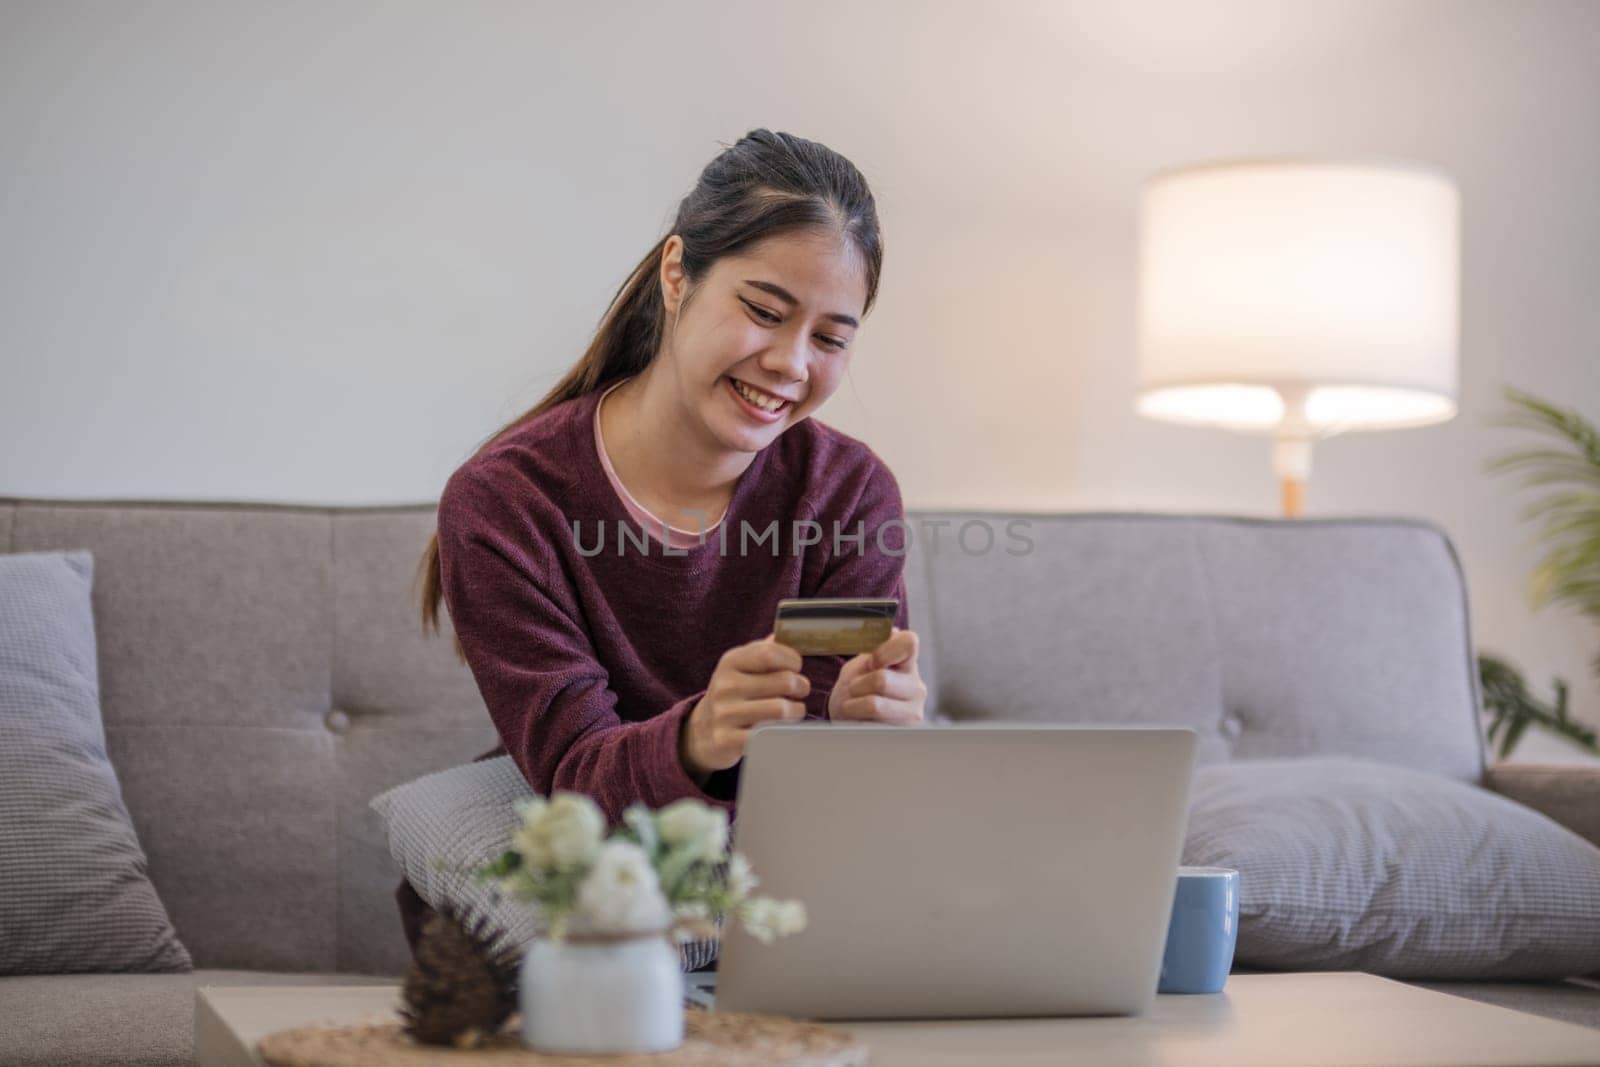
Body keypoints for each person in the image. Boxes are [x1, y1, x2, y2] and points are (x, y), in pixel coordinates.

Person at [403, 128, 928, 967]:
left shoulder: (848, 493)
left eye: (831, 338)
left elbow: (822, 794)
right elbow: (575, 774)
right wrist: (698, 737)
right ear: (677, 273)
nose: (791, 364)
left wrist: (872, 734)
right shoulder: (507, 501)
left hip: (771, 900)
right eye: (763, 310)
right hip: (589, 884)